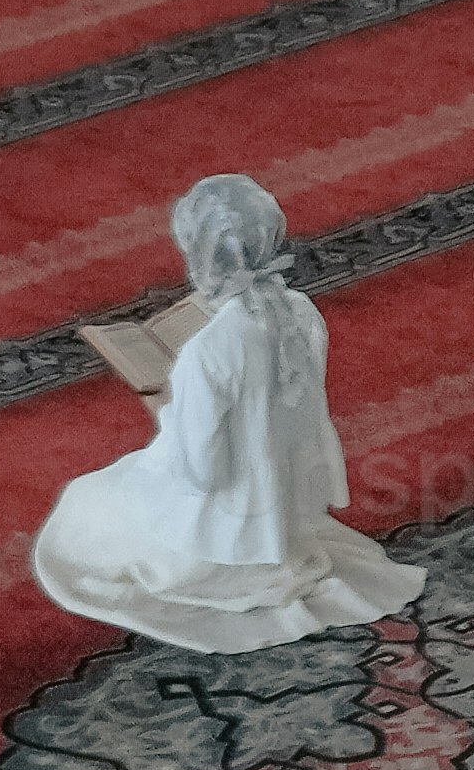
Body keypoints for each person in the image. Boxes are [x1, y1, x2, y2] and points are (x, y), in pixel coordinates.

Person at [33, 172, 423, 654]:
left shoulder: (210, 350)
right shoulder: (301, 311)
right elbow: (298, 410)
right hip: (285, 503)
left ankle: (232, 574)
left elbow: (199, 471)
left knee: (84, 504)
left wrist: (165, 406)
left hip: (224, 527)